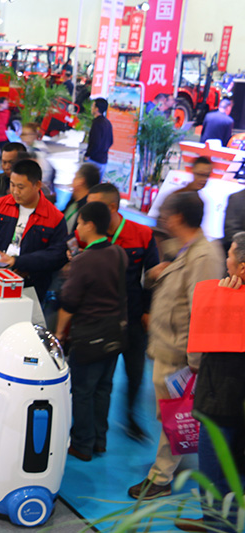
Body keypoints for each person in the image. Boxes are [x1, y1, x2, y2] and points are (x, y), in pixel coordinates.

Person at [128, 192, 224, 501]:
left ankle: (161, 478)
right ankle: (170, 466)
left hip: (179, 356)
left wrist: (194, 361)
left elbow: (201, 311)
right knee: (169, 416)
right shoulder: (187, 250)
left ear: (179, 217)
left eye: (168, 213)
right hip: (167, 349)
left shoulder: (204, 257)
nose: (164, 218)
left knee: (175, 418)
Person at [86, 183, 160, 442]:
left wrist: (148, 310)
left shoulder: (142, 234)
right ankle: (95, 430)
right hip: (101, 319)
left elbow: (152, 276)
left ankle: (131, 417)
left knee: (135, 372)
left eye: (94, 206)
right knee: (101, 377)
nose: (88, 212)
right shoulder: (88, 233)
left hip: (134, 317)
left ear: (112, 208)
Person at [57, 201, 128, 462]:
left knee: (83, 391)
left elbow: (69, 303)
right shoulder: (118, 252)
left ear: (89, 224)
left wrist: (60, 333)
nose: (77, 229)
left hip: (89, 335)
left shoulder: (84, 260)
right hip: (115, 332)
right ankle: (99, 441)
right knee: (103, 389)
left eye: (79, 223)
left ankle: (82, 444)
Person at [188, 239, 245, 532]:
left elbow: (211, 349)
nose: (225, 260)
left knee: (215, 475)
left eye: (230, 255)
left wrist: (223, 304)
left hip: (222, 402)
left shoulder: (228, 299)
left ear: (242, 267)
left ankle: (217, 525)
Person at [0, 159, 69, 303]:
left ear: (37, 185)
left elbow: (56, 256)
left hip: (29, 287)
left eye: (21, 187)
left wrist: (19, 262)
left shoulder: (54, 218)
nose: (15, 191)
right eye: (12, 185)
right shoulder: (0, 205)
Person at [63, 163, 101, 234]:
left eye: (75, 177)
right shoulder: (74, 200)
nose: (72, 181)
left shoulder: (87, 209)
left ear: (81, 181)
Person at [85, 98, 114, 178]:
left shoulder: (97, 123)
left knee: (89, 183)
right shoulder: (107, 123)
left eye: (93, 106)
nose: (91, 108)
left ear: (96, 109)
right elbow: (111, 141)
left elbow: (95, 143)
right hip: (103, 160)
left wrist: (88, 154)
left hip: (94, 160)